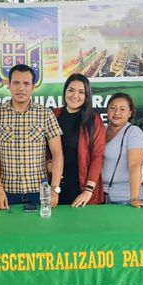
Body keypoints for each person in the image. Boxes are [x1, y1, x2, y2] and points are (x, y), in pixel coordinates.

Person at [0, 64, 64, 210]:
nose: (21, 88)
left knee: (41, 226)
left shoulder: (45, 114)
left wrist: (54, 189)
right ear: (9, 85)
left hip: (39, 192)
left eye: (26, 83)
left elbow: (57, 153)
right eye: (16, 83)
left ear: (33, 87)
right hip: (6, 192)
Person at [53, 74, 105, 207]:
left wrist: (88, 190)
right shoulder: (53, 115)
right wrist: (48, 162)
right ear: (65, 91)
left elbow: (97, 155)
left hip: (83, 187)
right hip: (54, 185)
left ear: (87, 96)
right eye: (71, 90)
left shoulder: (93, 119)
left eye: (81, 92)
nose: (75, 95)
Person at [102, 93, 143, 208]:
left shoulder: (134, 132)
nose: (117, 113)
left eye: (122, 109)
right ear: (107, 110)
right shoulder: (101, 130)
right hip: (101, 197)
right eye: (113, 108)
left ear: (130, 113)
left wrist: (134, 198)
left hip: (125, 198)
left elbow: (135, 165)